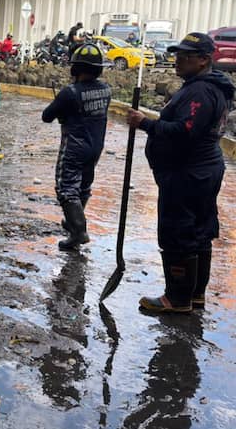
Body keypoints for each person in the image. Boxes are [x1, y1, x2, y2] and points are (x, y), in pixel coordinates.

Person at [126, 32, 234, 313]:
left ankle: (177, 298)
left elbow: (186, 132)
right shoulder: (211, 87)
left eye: (187, 55)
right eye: (177, 54)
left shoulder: (200, 91)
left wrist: (145, 123)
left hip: (189, 174)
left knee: (178, 233)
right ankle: (195, 294)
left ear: (204, 60)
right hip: (203, 169)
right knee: (199, 232)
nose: (179, 60)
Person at [41, 43, 112, 251]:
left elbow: (46, 116)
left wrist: (63, 110)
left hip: (74, 147)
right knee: (83, 186)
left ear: (75, 68)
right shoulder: (106, 90)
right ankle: (74, 220)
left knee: (66, 188)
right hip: (96, 147)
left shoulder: (70, 93)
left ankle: (78, 231)